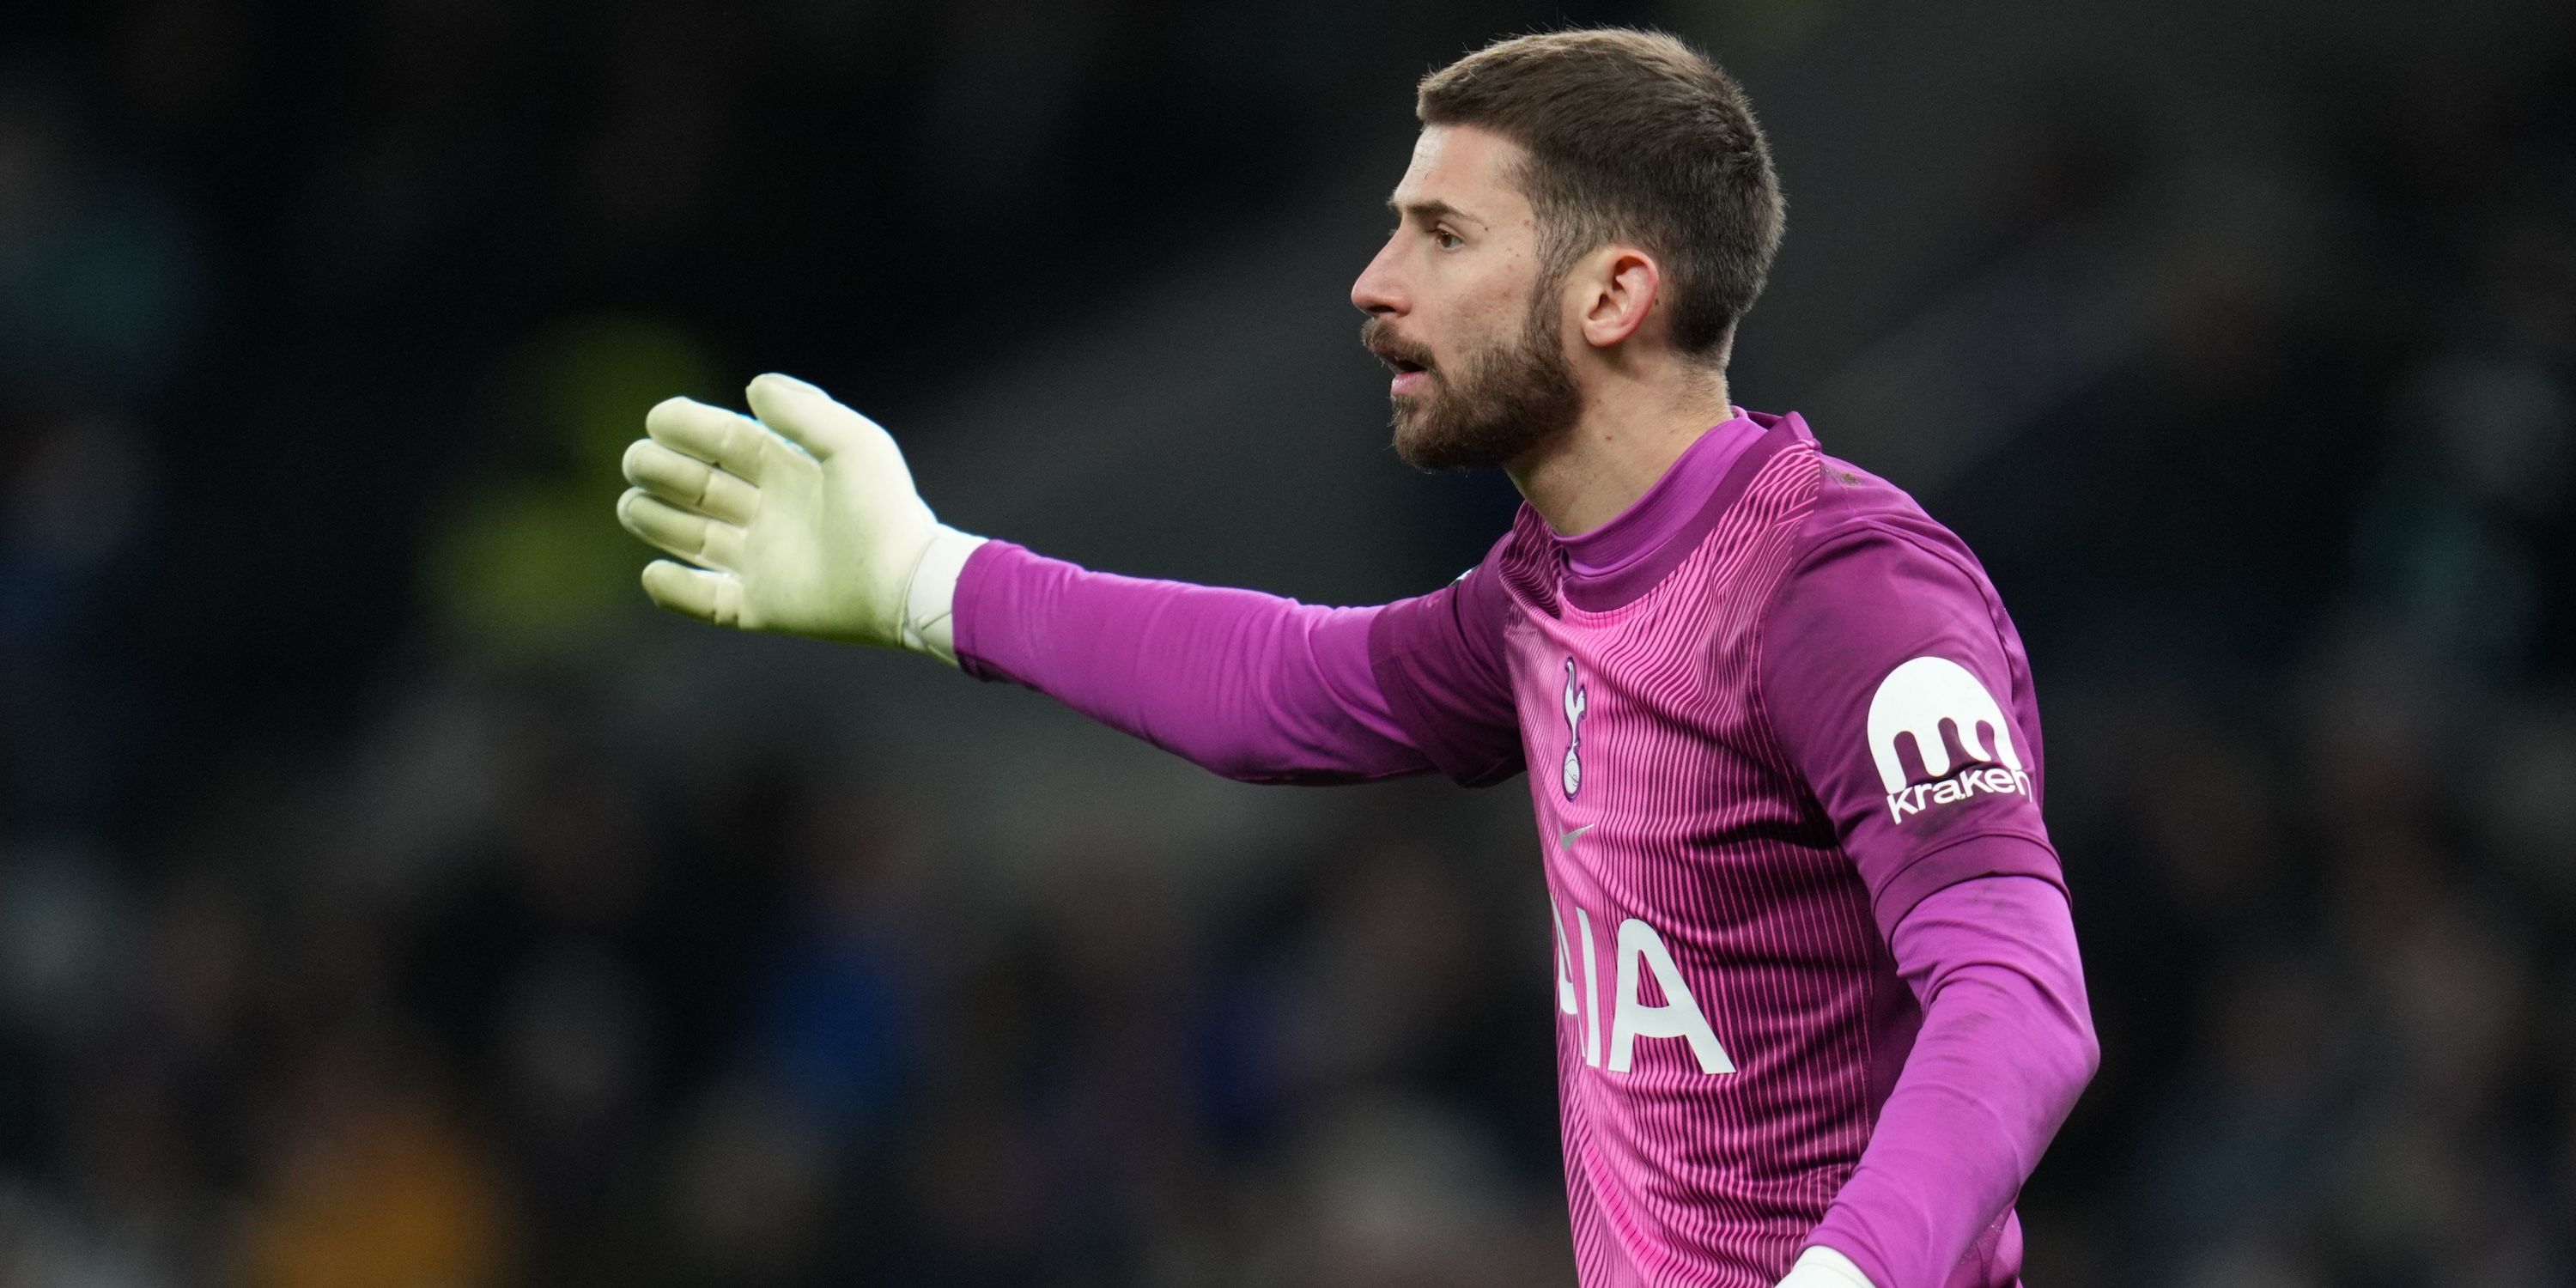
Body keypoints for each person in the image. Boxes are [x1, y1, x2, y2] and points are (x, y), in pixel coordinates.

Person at [612, 27, 2097, 1288]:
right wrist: (930, 580)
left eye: (1442, 236)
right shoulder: (1552, 591)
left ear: (1611, 295)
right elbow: (1298, 688)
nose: (1372, 282)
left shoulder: (1838, 590)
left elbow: (2020, 996)